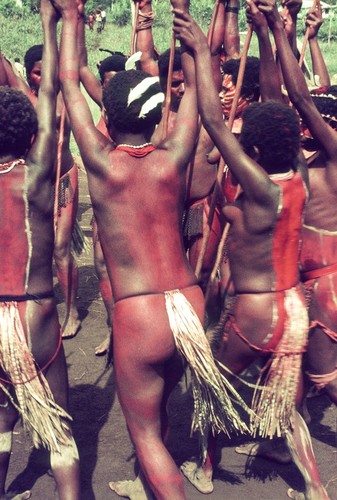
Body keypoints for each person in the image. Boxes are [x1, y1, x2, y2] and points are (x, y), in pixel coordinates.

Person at [54, 0, 249, 497]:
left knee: (144, 434)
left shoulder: (101, 164)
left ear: (109, 117)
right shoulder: (174, 155)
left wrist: (70, 19)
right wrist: (190, 38)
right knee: (161, 410)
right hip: (188, 303)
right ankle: (148, 484)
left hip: (140, 314)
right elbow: (196, 107)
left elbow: (70, 85)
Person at [172, 7, 329, 499]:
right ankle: (316, 488)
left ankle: (205, 469)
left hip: (257, 312)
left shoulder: (259, 188)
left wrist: (200, 54)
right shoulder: (298, 181)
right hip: (294, 309)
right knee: (285, 405)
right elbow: (281, 99)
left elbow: (217, 128)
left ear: (254, 153)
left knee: (210, 387)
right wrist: (266, 34)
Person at [0, 0, 80, 498]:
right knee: (60, 430)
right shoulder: (34, 180)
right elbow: (49, 93)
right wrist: (52, 23)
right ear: (31, 137)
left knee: (2, 416)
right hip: (35, 314)